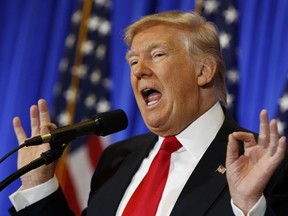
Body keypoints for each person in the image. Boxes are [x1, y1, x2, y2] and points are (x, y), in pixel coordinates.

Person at [8, 11, 288, 216]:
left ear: (203, 71)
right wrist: (38, 185)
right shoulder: (116, 160)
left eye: (157, 55)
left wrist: (248, 208)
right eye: (132, 61)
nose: (138, 70)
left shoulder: (262, 162)